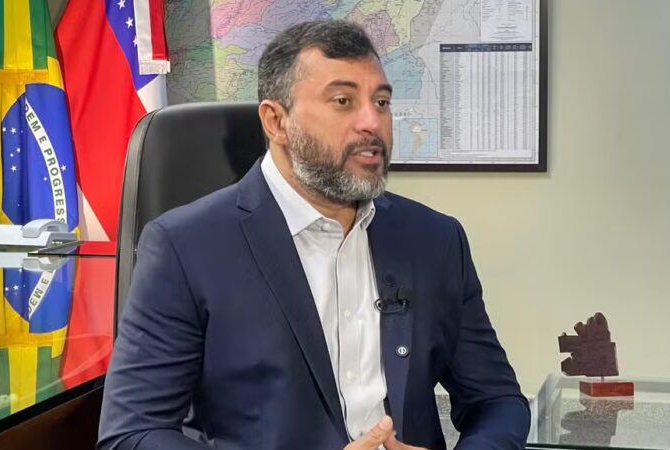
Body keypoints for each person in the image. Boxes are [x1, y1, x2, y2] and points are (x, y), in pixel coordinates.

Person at [98, 19, 530, 450]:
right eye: (343, 101)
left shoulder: (435, 239)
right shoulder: (185, 247)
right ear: (276, 121)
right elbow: (132, 434)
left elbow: (497, 401)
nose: (372, 122)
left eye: (381, 102)